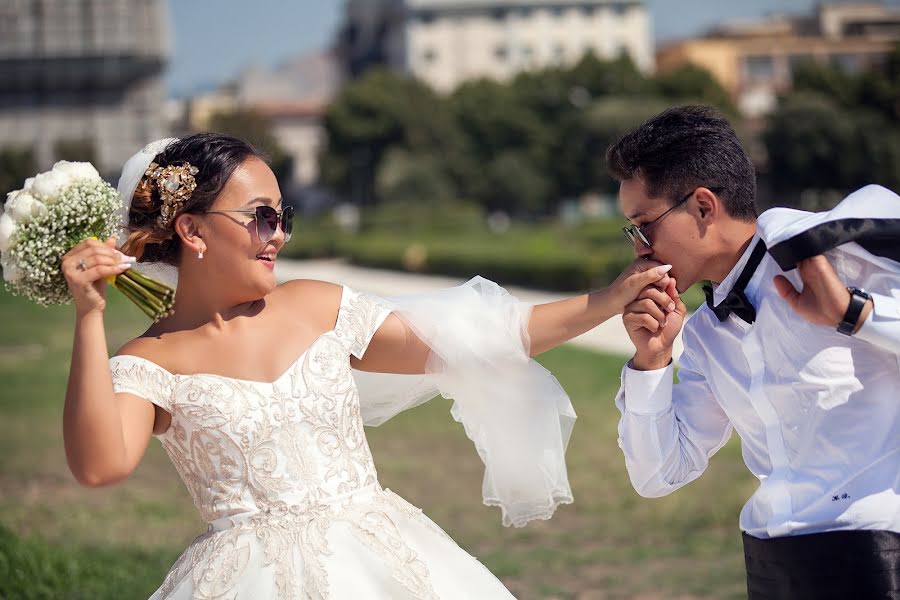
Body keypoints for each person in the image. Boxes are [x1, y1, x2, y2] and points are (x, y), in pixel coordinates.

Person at [60, 133, 673, 599]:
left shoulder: (316, 306)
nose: (279, 236)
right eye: (261, 217)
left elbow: (481, 338)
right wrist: (89, 316)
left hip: (385, 563)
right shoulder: (148, 360)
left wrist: (609, 299)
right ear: (192, 230)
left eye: (284, 216)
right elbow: (100, 466)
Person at [608, 105, 900, 599]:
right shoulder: (703, 334)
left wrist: (852, 313)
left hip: (875, 554)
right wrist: (652, 364)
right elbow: (658, 475)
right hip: (771, 567)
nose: (639, 248)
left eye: (643, 226)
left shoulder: (838, 259)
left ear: (703, 206)